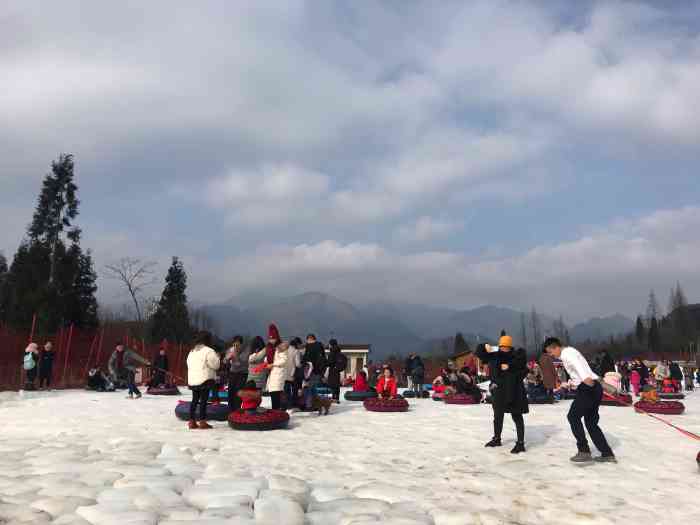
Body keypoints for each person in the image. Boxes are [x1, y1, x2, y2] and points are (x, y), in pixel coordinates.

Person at [544, 338, 615, 463]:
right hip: (593, 386)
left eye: (550, 352)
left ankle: (584, 451)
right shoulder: (571, 352)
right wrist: (571, 383)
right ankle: (606, 453)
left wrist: (586, 379)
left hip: (588, 387)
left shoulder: (567, 354)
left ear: (555, 347)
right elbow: (579, 370)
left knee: (573, 417)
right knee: (591, 423)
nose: (551, 355)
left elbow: (579, 367)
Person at [476, 335, 528, 454]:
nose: (504, 348)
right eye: (502, 346)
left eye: (506, 346)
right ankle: (497, 439)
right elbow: (480, 354)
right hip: (499, 390)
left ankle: (520, 443)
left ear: (510, 347)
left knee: (517, 416)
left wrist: (510, 367)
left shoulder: (517, 356)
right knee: (497, 416)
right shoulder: (495, 356)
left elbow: (523, 369)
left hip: (514, 391)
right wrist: (484, 345)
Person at [186, 331, 220, 429]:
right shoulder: (209, 351)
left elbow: (188, 363)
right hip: (205, 379)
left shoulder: (192, 351)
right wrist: (218, 357)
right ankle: (202, 421)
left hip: (193, 379)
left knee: (194, 400)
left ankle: (191, 421)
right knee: (203, 400)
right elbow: (215, 365)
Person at [224, 335, 249, 410]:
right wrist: (227, 358)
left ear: (241, 344)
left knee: (238, 393)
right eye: (234, 344)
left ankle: (237, 410)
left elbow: (243, 362)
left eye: (237, 344)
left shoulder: (245, 351)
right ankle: (230, 410)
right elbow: (224, 361)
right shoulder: (230, 350)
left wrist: (236, 353)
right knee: (231, 392)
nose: (235, 346)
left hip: (242, 374)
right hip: (232, 373)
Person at [302, 334, 328, 408]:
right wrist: (322, 372)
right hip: (318, 371)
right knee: (317, 389)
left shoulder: (308, 347)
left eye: (307, 340)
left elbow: (305, 360)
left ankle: (310, 405)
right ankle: (318, 405)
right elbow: (323, 360)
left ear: (309, 339)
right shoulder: (320, 347)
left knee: (310, 389)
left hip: (310, 371)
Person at [265, 341, 289, 410]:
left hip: (278, 376)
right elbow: (267, 360)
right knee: (274, 394)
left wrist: (272, 364)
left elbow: (283, 361)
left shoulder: (282, 352)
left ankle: (277, 412)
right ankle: (275, 411)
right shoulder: (274, 351)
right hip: (273, 376)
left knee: (276, 394)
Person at [285, 338, 303, 409]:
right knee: (294, 389)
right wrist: (302, 364)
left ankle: (287, 404)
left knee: (287, 390)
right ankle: (294, 404)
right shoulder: (296, 351)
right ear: (297, 344)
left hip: (285, 373)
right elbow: (297, 364)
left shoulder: (285, 350)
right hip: (293, 374)